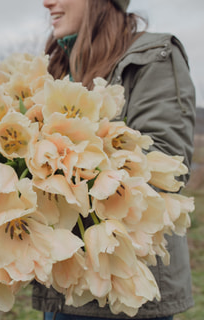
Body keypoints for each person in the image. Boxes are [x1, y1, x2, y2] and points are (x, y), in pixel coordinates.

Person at [32, 0, 196, 319]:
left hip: (127, 286)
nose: (46, 2)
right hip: (64, 281)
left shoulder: (153, 56)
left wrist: (61, 162)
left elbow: (166, 159)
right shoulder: (59, 68)